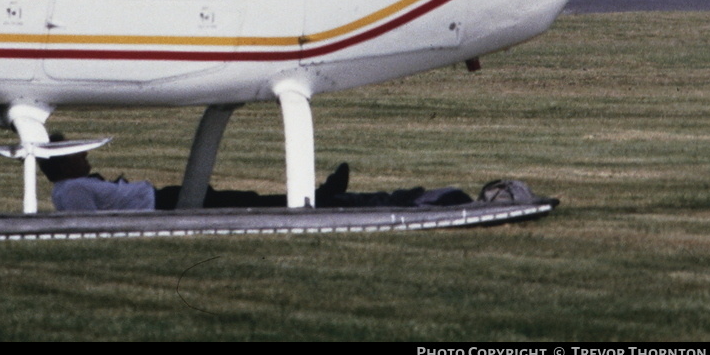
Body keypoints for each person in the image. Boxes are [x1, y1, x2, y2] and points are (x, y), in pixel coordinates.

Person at [37, 135, 473, 212]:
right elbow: (94, 226)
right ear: (61, 165)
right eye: (75, 154)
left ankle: (319, 196)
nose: (83, 157)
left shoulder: (77, 183)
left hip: (168, 195)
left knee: (248, 197)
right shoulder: (70, 192)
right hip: (166, 204)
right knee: (253, 202)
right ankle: (319, 198)